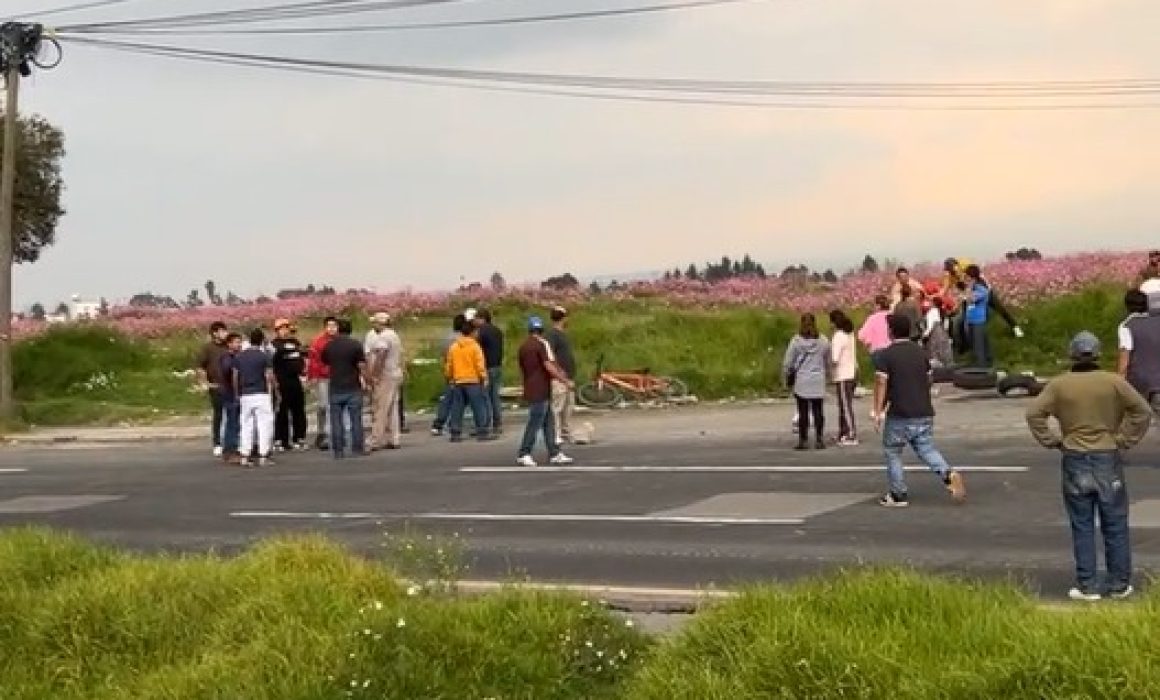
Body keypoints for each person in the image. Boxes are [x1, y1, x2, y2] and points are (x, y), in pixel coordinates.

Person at [1025, 331, 1152, 601]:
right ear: (1096, 354)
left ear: (1072, 354)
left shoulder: (1059, 385)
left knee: (1082, 524)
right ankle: (1119, 583)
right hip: (1107, 454)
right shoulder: (1113, 383)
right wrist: (1124, 439)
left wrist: (1052, 441)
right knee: (1115, 523)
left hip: (1074, 456)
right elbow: (1142, 411)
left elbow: (1034, 413)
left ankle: (1088, 584)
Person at [873, 313, 966, 507]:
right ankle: (948, 474)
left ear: (890, 331)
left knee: (893, 451)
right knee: (926, 448)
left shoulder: (886, 355)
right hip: (923, 410)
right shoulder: (920, 353)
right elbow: (929, 378)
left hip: (900, 412)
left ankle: (897, 494)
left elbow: (881, 382)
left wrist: (878, 410)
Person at [517, 316, 574, 467]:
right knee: (535, 423)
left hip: (530, 386)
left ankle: (554, 452)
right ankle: (524, 452)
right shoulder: (543, 344)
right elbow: (549, 365)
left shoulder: (523, 346)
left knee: (548, 422)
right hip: (541, 388)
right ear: (541, 330)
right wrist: (564, 380)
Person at [320, 319, 369, 459]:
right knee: (356, 419)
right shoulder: (355, 345)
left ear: (338, 329)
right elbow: (361, 366)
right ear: (350, 330)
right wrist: (367, 381)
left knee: (336, 420)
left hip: (335, 386)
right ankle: (357, 447)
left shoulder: (329, 346)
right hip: (353, 386)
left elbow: (325, 361)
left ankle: (338, 450)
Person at [942, 257, 1024, 339]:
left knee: (1000, 309)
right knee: (966, 318)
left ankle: (1015, 327)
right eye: (949, 270)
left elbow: (977, 277)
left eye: (951, 269)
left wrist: (985, 291)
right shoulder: (950, 277)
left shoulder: (965, 265)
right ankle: (968, 340)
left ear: (956, 265)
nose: (951, 272)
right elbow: (945, 290)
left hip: (983, 290)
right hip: (970, 296)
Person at [783, 313, 830, 450]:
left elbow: (788, 362)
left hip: (802, 380)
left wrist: (786, 375)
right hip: (818, 379)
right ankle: (819, 439)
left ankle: (803, 440)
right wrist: (827, 374)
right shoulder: (823, 341)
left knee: (803, 411)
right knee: (818, 411)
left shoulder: (796, 342)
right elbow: (828, 361)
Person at [444, 315, 494, 442]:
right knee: (478, 407)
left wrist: (449, 377)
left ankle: (455, 433)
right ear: (472, 332)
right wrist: (484, 377)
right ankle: (482, 431)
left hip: (458, 381)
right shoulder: (475, 347)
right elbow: (479, 364)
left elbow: (449, 364)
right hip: (473, 381)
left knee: (457, 408)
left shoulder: (454, 347)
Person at [234, 328, 278, 468]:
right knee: (264, 424)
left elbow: (235, 376)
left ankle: (245, 455)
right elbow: (269, 376)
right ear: (261, 341)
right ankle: (263, 454)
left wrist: (237, 392)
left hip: (245, 394)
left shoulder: (240, 356)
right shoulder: (264, 356)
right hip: (261, 393)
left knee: (246, 424)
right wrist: (276, 390)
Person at [365, 311, 404, 451]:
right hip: (395, 373)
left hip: (386, 375)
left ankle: (375, 439)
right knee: (392, 407)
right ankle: (394, 437)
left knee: (380, 407)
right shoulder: (394, 335)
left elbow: (381, 355)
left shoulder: (383, 337)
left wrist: (374, 374)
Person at [1118, 288, 1160, 414]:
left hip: (1139, 383)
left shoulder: (1126, 326)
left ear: (1127, 306)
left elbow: (1124, 362)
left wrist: (1119, 385)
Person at [195, 321, 230, 458]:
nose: (224, 334)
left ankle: (230, 441)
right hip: (216, 386)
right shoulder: (208, 348)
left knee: (232, 415)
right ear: (215, 333)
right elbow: (200, 367)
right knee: (219, 414)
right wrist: (205, 383)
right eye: (222, 331)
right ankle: (217, 443)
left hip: (230, 386)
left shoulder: (228, 346)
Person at [271, 318, 307, 452]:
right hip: (281, 382)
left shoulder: (295, 342)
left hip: (295, 381)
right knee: (281, 412)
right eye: (282, 328)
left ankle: (299, 438)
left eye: (287, 328)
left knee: (298, 411)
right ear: (277, 330)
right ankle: (281, 440)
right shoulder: (273, 345)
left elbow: (302, 357)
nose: (285, 331)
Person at [431, 314, 468, 437]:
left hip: (450, 371)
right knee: (458, 400)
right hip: (462, 373)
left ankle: (439, 424)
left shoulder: (448, 337)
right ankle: (453, 423)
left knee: (447, 398)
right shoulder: (464, 339)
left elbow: (444, 355)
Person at [546, 306, 577, 443]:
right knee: (557, 407)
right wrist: (559, 371)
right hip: (559, 377)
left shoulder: (562, 333)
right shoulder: (552, 334)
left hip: (568, 376)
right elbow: (550, 355)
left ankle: (565, 431)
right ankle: (556, 433)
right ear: (563, 318)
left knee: (568, 405)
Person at [307, 316, 339, 450]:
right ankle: (322, 433)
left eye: (334, 326)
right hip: (323, 377)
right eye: (329, 326)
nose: (332, 328)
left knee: (336, 405)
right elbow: (313, 360)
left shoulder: (340, 340)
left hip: (337, 377)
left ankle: (335, 433)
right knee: (323, 406)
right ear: (325, 327)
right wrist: (313, 376)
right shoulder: (318, 341)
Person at [829, 310, 858, 446]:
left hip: (843, 374)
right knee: (844, 405)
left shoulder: (838, 336)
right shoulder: (849, 334)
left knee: (845, 406)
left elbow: (834, 358)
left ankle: (851, 434)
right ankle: (843, 433)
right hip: (852, 372)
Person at [477, 308, 505, 436]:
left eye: (477, 318)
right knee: (495, 397)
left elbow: (478, 350)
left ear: (482, 318)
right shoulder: (498, 330)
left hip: (487, 367)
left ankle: (486, 424)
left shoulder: (481, 332)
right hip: (498, 366)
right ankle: (498, 423)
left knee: (485, 397)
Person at [218, 332, 243, 464]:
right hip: (230, 394)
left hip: (236, 393)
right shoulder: (227, 358)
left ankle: (235, 448)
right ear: (229, 344)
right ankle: (229, 450)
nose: (238, 345)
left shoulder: (238, 357)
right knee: (232, 423)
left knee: (237, 422)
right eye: (236, 342)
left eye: (240, 342)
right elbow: (229, 372)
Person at [963, 265, 992, 367]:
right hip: (970, 320)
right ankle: (975, 365)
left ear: (972, 277)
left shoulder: (981, 290)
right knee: (973, 346)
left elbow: (970, 299)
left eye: (966, 277)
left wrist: (969, 287)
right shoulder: (971, 288)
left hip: (978, 321)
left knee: (979, 346)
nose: (965, 279)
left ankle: (982, 367)